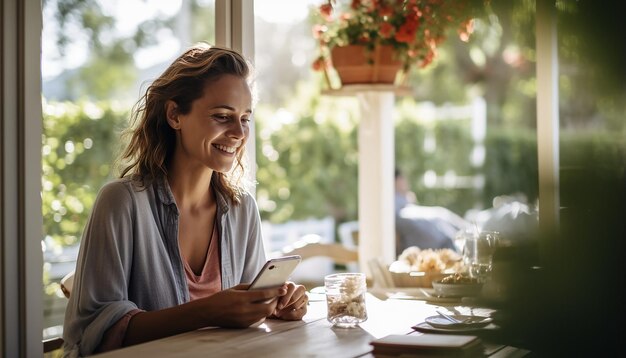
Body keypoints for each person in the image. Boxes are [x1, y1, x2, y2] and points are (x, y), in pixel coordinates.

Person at [62, 44, 308, 357]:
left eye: (245, 118)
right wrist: (208, 310)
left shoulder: (242, 208)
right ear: (175, 114)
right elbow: (94, 334)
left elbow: (247, 316)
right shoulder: (121, 203)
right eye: (222, 116)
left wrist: (275, 306)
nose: (238, 133)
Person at [394, 169, 468, 254]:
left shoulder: (403, 200)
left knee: (442, 214)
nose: (405, 182)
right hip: (438, 241)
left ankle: (467, 231)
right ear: (395, 181)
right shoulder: (394, 200)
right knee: (441, 218)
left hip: (440, 237)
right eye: (402, 178)